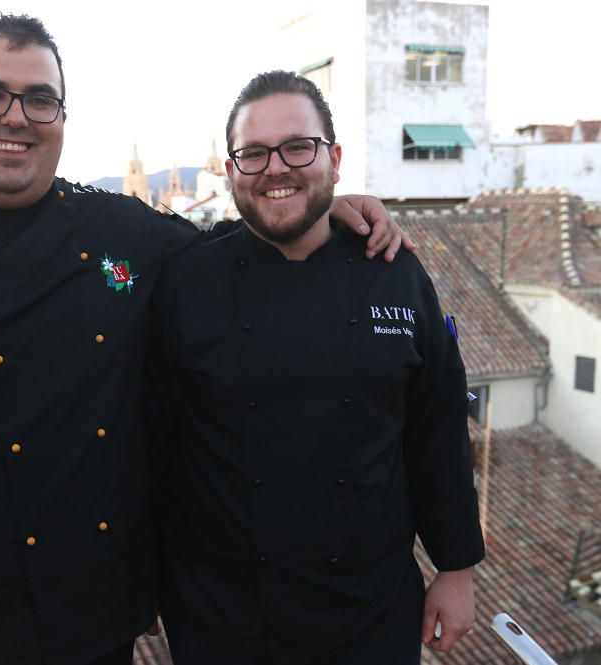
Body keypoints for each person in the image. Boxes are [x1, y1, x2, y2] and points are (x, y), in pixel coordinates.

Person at [0, 16, 410, 665]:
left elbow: (239, 250)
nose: (15, 116)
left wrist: (320, 205)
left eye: (39, 99)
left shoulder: (121, 233)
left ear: (62, 118)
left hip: (89, 628)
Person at [146, 70, 485, 665]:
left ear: (334, 157)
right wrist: (139, 573)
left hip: (371, 610)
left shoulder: (396, 272)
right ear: (231, 172)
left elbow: (436, 431)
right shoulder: (185, 283)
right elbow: (148, 444)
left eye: (297, 147)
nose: (276, 167)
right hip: (223, 616)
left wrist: (456, 569)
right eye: (253, 154)